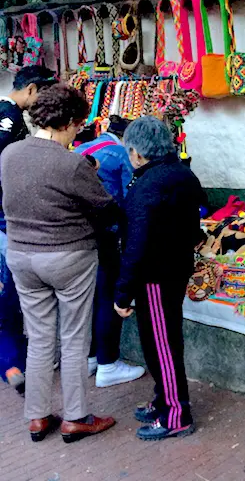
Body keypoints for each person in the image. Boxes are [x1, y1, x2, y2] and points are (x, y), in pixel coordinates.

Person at [1, 85, 116, 443]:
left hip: (20, 255)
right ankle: (77, 416)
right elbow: (106, 207)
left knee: (38, 338)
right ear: (67, 122)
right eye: (78, 125)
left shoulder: (10, 154)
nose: (78, 132)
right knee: (74, 337)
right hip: (68, 255)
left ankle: (36, 417)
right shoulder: (71, 162)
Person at [114, 116, 206, 441]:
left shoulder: (148, 184)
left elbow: (136, 244)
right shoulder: (183, 174)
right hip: (174, 269)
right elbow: (196, 220)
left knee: (162, 346)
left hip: (155, 275)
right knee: (162, 343)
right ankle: (163, 398)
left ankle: (176, 415)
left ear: (137, 153)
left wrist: (122, 293)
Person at [0, 65, 59, 395]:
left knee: (11, 300)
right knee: (11, 299)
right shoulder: (8, 117)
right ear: (32, 90)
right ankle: (14, 365)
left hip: (8, 221)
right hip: (7, 221)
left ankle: (13, 365)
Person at [75, 115, 145, 387]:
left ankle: (91, 358)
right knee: (108, 297)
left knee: (90, 297)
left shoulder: (81, 149)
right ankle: (108, 364)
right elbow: (132, 195)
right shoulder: (121, 154)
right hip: (106, 234)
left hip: (80, 236)